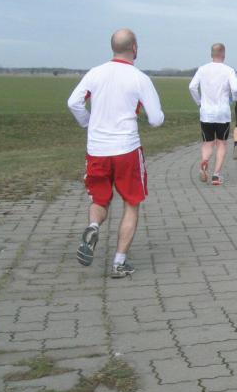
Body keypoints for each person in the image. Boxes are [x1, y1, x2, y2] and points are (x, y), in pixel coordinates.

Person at [67, 28, 164, 278]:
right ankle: (119, 262)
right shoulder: (140, 78)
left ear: (113, 47)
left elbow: (73, 102)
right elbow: (155, 119)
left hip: (97, 150)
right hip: (126, 149)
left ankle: (93, 226)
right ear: (135, 48)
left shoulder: (95, 73)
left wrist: (88, 122)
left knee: (99, 199)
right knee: (132, 203)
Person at [189, 43, 237, 185]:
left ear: (211, 54)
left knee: (208, 143)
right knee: (221, 143)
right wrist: (233, 99)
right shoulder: (229, 70)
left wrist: (199, 102)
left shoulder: (202, 69)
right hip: (222, 113)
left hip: (206, 113)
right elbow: (235, 89)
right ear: (224, 54)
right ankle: (216, 176)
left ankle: (204, 162)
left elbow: (192, 87)